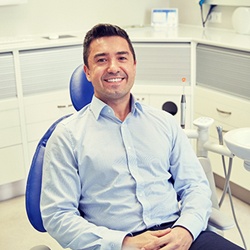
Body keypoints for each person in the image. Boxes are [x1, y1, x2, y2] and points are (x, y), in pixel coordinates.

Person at [40, 23, 243, 250]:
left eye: (122, 58)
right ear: (87, 72)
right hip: (115, 243)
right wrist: (125, 243)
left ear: (134, 66)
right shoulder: (67, 136)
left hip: (177, 234)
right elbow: (58, 216)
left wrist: (185, 229)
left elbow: (195, 185)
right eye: (101, 60)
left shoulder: (164, 123)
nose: (113, 67)